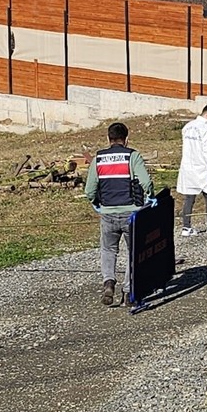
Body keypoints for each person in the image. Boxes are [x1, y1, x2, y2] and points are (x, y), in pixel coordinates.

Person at [85, 121, 153, 306]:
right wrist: (151, 197)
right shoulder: (133, 156)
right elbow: (146, 183)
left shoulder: (98, 158)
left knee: (108, 250)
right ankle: (129, 292)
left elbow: (90, 190)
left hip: (107, 213)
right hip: (131, 213)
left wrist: (96, 203)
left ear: (108, 138)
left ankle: (108, 282)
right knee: (133, 251)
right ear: (126, 138)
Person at [177, 104, 207, 236]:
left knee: (189, 197)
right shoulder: (206, 129)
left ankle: (186, 227)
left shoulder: (188, 126)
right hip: (202, 167)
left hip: (188, 167)